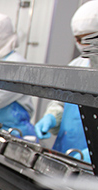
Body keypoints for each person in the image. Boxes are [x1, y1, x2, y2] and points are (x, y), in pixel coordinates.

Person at [34, 1, 98, 161]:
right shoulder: (77, 65)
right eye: (78, 39)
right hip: (66, 152)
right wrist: (52, 117)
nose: (83, 45)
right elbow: (62, 103)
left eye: (89, 38)